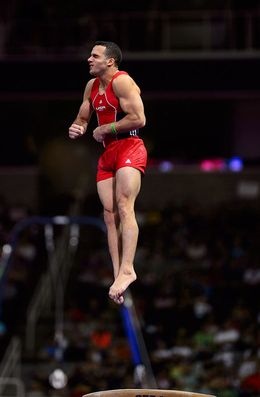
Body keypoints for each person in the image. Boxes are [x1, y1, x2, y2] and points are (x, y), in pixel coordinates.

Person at [68, 41, 148, 304]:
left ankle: (128, 269)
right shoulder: (91, 87)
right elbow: (82, 118)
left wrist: (107, 129)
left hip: (130, 146)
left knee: (125, 205)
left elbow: (138, 118)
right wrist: (77, 127)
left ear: (110, 61)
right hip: (108, 154)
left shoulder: (122, 82)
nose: (89, 59)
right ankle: (118, 276)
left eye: (95, 56)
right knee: (109, 215)